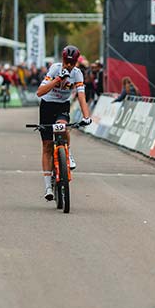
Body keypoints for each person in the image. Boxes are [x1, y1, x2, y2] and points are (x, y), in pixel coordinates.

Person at [36, 45, 92, 201]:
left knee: (62, 127)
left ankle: (68, 153)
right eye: (67, 62)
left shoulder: (77, 74)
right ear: (62, 60)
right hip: (47, 105)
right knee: (47, 145)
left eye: (72, 63)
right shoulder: (55, 69)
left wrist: (87, 116)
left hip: (62, 106)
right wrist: (58, 80)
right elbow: (40, 92)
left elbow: (81, 97)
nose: (69, 65)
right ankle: (48, 186)